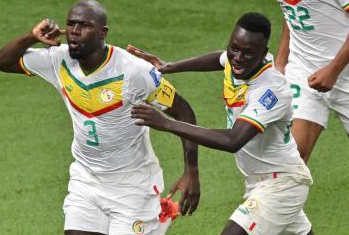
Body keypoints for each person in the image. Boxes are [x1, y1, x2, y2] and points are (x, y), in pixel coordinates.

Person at [0, 0, 200, 235]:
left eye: (84, 25)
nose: (74, 31)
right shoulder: (58, 60)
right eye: (70, 24)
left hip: (132, 188)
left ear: (103, 33)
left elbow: (183, 111)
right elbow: (2, 62)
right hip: (86, 181)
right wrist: (31, 37)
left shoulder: (133, 71)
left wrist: (191, 171)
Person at [129, 13, 314, 235]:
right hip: (259, 182)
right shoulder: (240, 62)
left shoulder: (271, 90)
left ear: (263, 54)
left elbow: (232, 140)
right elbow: (220, 59)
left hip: (282, 185)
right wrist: (169, 66)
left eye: (247, 53)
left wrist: (167, 123)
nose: (237, 57)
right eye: (234, 48)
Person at [267, 0, 349, 163]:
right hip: (303, 71)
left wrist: (333, 69)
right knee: (291, 158)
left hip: (344, 72)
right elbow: (292, 10)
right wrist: (280, 62)